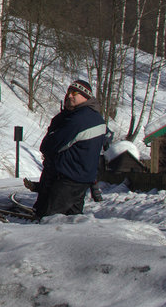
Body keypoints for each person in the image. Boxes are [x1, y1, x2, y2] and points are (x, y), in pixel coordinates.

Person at [32, 79, 109, 219]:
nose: (69, 96)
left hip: (67, 179)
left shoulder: (79, 119)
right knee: (72, 220)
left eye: (75, 93)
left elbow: (49, 145)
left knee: (49, 220)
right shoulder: (96, 117)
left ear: (86, 96)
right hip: (81, 179)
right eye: (68, 92)